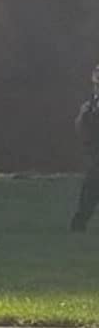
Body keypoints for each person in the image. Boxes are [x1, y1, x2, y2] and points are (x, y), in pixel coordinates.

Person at [70, 64, 99, 232]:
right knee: (90, 188)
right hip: (96, 153)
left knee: (91, 185)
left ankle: (80, 222)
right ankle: (79, 223)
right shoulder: (90, 105)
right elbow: (81, 129)